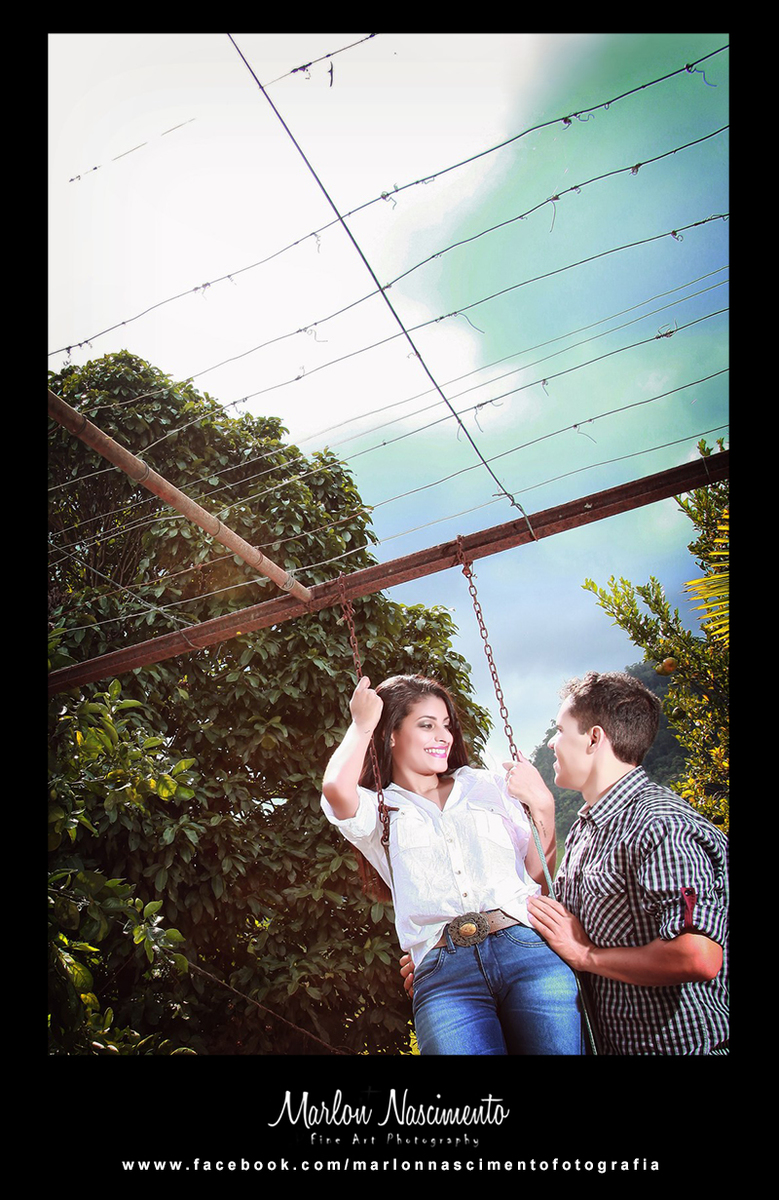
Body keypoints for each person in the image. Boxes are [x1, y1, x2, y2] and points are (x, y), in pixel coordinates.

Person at [321, 673, 583, 1055]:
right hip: (445, 973)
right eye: (427, 725)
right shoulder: (379, 811)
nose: (443, 736)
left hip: (526, 950)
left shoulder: (488, 785)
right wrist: (362, 724)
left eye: (446, 725)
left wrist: (543, 806)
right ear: (391, 734)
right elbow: (335, 789)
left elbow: (535, 876)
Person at [504, 670, 728, 1055]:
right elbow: (550, 917)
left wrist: (587, 955)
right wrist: (445, 951)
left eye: (560, 730)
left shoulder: (661, 825)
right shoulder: (587, 828)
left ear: (594, 738)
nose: (553, 743)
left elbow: (697, 955)